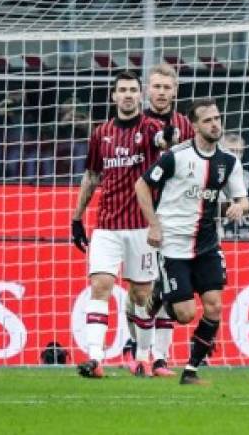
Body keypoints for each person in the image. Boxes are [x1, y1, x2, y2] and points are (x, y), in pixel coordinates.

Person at [136, 98, 248, 385]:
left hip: (208, 244)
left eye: (218, 118)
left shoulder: (229, 161)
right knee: (185, 315)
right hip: (173, 243)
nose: (215, 124)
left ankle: (191, 371)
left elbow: (242, 199)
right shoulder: (177, 155)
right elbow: (142, 185)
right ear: (195, 125)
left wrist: (239, 206)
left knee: (214, 307)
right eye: (208, 120)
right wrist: (154, 225)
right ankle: (161, 293)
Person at [71, 71, 163, 379]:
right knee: (101, 286)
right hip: (107, 225)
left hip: (141, 225)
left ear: (140, 96)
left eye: (132, 90)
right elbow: (92, 176)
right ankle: (95, 359)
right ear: (113, 96)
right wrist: (76, 217)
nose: (127, 95)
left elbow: (165, 141)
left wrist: (171, 136)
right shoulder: (101, 133)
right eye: (121, 90)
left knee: (141, 295)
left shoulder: (151, 128)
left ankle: (143, 357)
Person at [137, 62, 195, 377]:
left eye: (166, 87)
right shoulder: (137, 123)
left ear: (175, 90)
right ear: (148, 89)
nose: (161, 92)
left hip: (176, 219)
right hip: (140, 217)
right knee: (141, 289)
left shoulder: (187, 125)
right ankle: (137, 352)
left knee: (167, 289)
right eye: (156, 86)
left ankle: (158, 358)